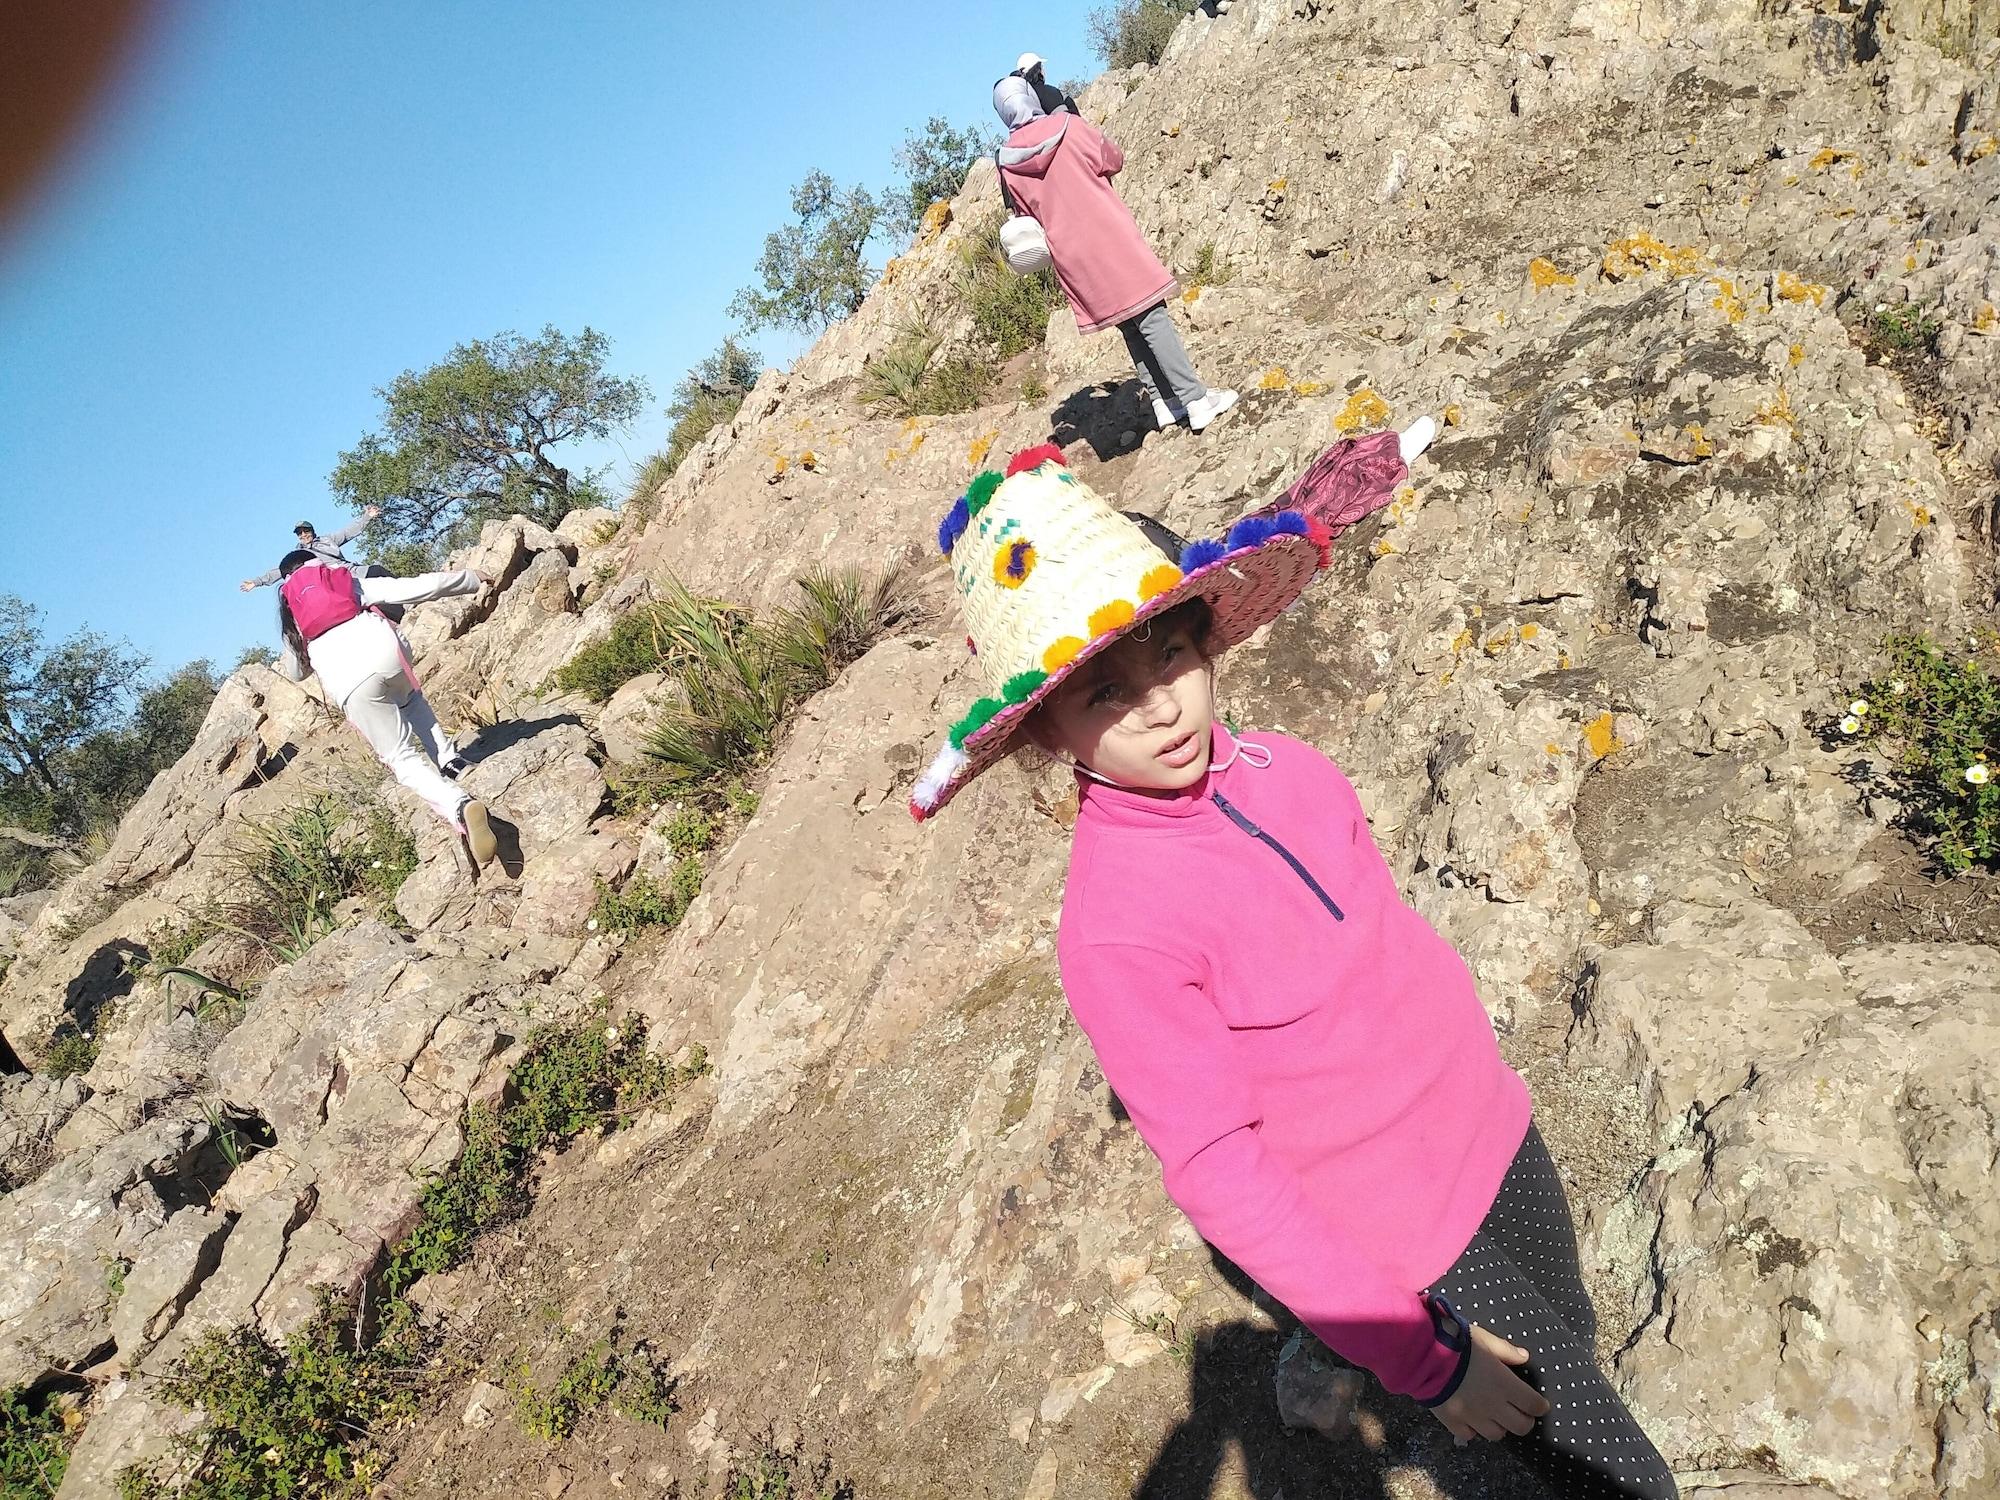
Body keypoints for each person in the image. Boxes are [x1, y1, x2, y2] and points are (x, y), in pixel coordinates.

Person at [907, 443, 1678, 1499]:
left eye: (1172, 655)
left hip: (1493, 1130)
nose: (1162, 708)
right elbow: (1220, 1174)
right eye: (1102, 697)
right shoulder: (1113, 935)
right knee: (1614, 1476)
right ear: (1045, 734)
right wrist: (1424, 1356)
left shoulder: (1290, 769)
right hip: (1405, 1228)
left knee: (1568, 1352)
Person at [990, 75, 1236, 434]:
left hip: (1071, 254)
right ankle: (1196, 400)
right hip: (1107, 233)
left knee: (1128, 321)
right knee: (1151, 315)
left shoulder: (1008, 163)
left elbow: (1024, 214)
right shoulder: (1068, 127)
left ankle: (1163, 401)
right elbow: (1113, 158)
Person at [274, 551, 497, 865]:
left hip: (349, 680)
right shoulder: (344, 581)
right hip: (385, 651)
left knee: (400, 757)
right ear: (315, 563)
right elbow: (411, 588)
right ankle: (450, 761)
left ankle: (459, 804)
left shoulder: (291, 610)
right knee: (410, 697)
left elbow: (296, 672)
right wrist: (471, 578)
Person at [240, 509, 381, 592]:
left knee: (378, 571)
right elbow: (280, 570)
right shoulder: (299, 555)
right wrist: (256, 582)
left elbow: (348, 532)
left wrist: (367, 517)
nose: (303, 535)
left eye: (305, 531)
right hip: (333, 583)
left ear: (312, 531)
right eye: (299, 533)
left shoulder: (328, 540)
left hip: (353, 573)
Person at [1011, 51, 1077, 117]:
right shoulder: (1048, 92)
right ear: (1038, 69)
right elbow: (1065, 120)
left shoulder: (1021, 102)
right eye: (1041, 66)